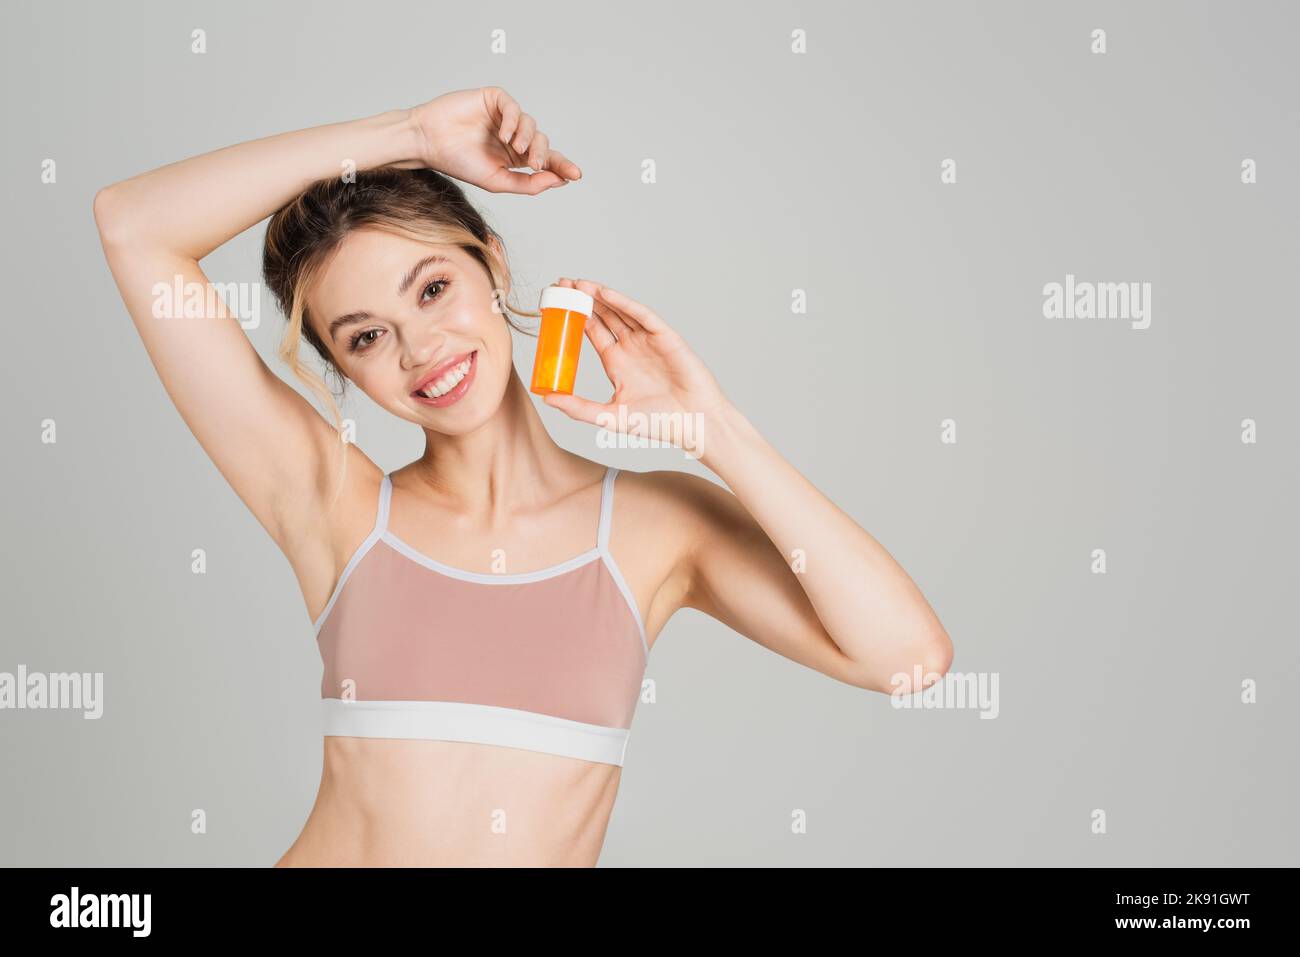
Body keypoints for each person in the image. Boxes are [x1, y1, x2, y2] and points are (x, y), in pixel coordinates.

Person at [93, 86, 952, 867]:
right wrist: (413, 133)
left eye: (432, 288)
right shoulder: (338, 507)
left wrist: (714, 430)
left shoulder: (658, 527)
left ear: (493, 264)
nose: (421, 350)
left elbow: (909, 659)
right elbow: (134, 225)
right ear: (343, 372)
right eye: (365, 336)